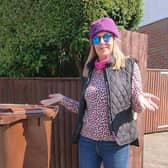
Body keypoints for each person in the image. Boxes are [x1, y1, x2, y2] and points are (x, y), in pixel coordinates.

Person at [40, 17, 159, 168]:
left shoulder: (129, 66)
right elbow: (85, 109)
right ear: (93, 44)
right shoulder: (89, 70)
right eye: (97, 38)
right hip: (87, 143)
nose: (102, 42)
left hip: (115, 144)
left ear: (114, 39)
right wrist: (62, 99)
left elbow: (137, 107)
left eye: (106, 36)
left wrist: (139, 98)